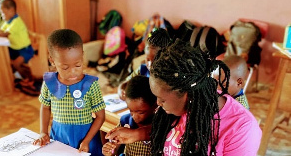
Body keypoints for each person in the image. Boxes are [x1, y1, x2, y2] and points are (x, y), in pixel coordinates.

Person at [106, 39, 262, 156]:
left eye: (162, 99)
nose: (158, 103)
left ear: (186, 93)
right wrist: (138, 134)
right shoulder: (180, 108)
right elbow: (167, 129)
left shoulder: (242, 130)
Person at [33, 29, 106, 155]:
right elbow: (45, 107)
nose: (72, 72)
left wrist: (87, 140)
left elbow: (100, 116)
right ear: (52, 61)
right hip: (59, 137)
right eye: (65, 67)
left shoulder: (91, 84)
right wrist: (43, 132)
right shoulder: (49, 83)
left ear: (82, 56)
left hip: (86, 139)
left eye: (78, 65)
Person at [0, 0, 39, 95]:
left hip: (25, 49)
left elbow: (5, 34)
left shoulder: (17, 22)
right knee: (6, 59)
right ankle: (15, 77)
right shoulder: (7, 22)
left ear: (11, 10)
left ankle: (29, 79)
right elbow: (1, 31)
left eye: (3, 13)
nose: (2, 15)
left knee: (16, 64)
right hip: (15, 49)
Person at [102, 75, 157, 156]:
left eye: (140, 112)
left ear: (155, 105)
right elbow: (115, 148)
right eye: (131, 110)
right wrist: (110, 150)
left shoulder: (160, 124)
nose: (134, 116)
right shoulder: (125, 121)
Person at [117, 28, 171, 100]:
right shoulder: (143, 69)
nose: (150, 64)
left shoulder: (168, 75)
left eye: (155, 60)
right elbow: (126, 82)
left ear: (165, 57)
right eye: (147, 59)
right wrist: (121, 89)